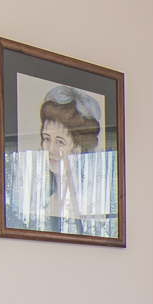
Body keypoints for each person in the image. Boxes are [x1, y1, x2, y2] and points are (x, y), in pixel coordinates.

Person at [36, 85, 103, 233]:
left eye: (60, 142)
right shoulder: (41, 203)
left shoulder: (92, 204)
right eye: (46, 139)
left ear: (78, 149)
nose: (50, 150)